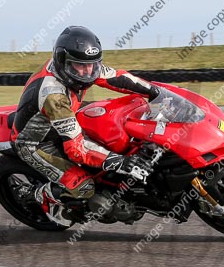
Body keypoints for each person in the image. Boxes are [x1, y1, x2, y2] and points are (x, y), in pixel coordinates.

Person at [11, 26, 160, 226]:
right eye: (80, 66)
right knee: (85, 187)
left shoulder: (79, 66)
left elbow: (118, 77)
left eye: (92, 65)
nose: (88, 72)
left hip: (60, 124)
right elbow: (77, 150)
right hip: (37, 144)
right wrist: (122, 162)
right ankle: (38, 195)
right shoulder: (54, 95)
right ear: (62, 61)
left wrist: (155, 91)